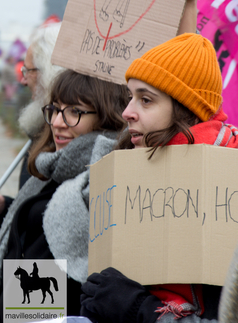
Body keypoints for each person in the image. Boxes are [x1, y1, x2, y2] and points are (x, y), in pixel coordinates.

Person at [80, 33, 238, 323]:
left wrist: (137, 308)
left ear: (183, 108)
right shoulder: (115, 174)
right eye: (130, 97)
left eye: (146, 100)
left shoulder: (229, 179)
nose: (127, 112)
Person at [0, 68, 129, 320]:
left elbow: (39, 308)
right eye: (56, 109)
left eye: (74, 112)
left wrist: (21, 313)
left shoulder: (101, 183)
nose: (58, 122)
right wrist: (6, 206)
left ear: (106, 116)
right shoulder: (56, 167)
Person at [0, 23, 64, 218]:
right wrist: (5, 207)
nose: (23, 80)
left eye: (28, 71)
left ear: (48, 70)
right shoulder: (41, 128)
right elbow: (30, 216)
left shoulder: (63, 136)